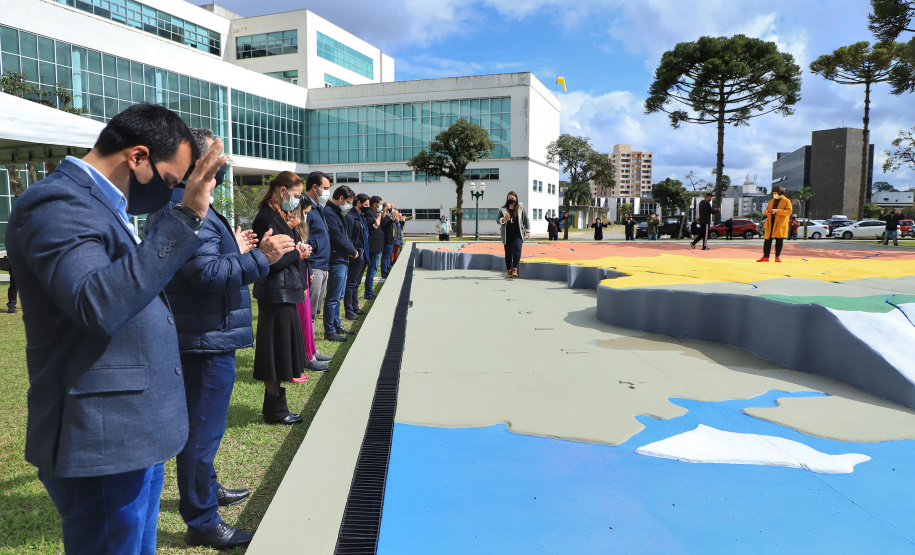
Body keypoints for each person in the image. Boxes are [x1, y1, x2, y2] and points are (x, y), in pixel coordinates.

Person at [5, 103, 225, 554]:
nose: (169, 194)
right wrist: (185, 217)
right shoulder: (58, 202)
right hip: (103, 435)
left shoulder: (103, 204)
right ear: (137, 157)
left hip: (133, 428)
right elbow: (97, 303)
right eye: (168, 181)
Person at [144, 128, 295, 549]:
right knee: (201, 433)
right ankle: (203, 520)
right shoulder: (185, 207)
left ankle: (206, 491)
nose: (225, 166)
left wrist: (243, 252)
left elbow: (203, 264)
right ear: (197, 163)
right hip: (205, 338)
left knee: (203, 427)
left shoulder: (194, 206)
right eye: (218, 159)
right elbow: (206, 275)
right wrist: (262, 259)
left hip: (206, 332)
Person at [252, 172, 312, 425]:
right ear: (282, 190)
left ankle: (276, 408)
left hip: (285, 291)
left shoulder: (281, 216)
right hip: (275, 292)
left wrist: (300, 250)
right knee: (274, 352)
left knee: (280, 351)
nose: (296, 201)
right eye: (295, 195)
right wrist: (298, 255)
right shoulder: (267, 217)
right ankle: (275, 411)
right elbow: (269, 262)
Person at [302, 171, 334, 364]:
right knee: (308, 313)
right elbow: (303, 239)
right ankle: (308, 354)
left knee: (314, 312)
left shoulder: (318, 208)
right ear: (315, 187)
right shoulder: (305, 207)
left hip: (322, 265)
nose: (327, 192)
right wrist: (309, 268)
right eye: (326, 188)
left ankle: (312, 350)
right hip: (313, 266)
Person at [292, 201, 328, 373]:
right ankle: (306, 355)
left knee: (308, 316)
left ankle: (311, 351)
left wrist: (309, 268)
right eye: (305, 213)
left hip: (304, 270)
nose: (306, 216)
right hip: (297, 275)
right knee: (304, 316)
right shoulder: (290, 227)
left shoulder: (299, 227)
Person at [323, 185, 358, 341]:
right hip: (336, 259)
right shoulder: (329, 213)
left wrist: (351, 248)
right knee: (333, 297)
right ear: (341, 198)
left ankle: (337, 325)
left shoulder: (337, 212)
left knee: (339, 296)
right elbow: (337, 237)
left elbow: (345, 236)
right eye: (348, 202)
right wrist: (353, 250)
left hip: (342, 258)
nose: (348, 205)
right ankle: (330, 330)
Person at [345, 194, 370, 320]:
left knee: (356, 283)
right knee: (351, 283)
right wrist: (352, 251)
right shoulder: (350, 217)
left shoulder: (361, 217)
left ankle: (355, 307)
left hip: (364, 255)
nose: (367, 207)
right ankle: (349, 311)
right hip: (356, 255)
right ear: (358, 203)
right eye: (365, 205)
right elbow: (347, 237)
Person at [498, 191, 530, 278]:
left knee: (517, 248)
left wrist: (528, 231)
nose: (511, 200)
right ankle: (509, 270)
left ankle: (515, 268)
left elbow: (526, 220)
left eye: (512, 198)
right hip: (507, 234)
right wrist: (503, 219)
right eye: (509, 198)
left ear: (516, 199)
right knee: (508, 253)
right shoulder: (503, 209)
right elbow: (498, 220)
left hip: (518, 233)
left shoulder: (521, 208)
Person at [757, 186, 793, 262]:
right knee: (767, 240)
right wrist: (767, 212)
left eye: (776, 193)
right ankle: (765, 257)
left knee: (779, 240)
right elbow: (765, 210)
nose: (774, 195)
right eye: (773, 194)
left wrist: (777, 210)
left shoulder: (787, 201)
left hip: (780, 223)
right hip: (771, 221)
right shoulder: (772, 201)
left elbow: (788, 212)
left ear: (780, 193)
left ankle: (777, 257)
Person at [363, 196, 384, 300]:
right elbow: (373, 225)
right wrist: (378, 219)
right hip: (373, 247)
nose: (381, 205)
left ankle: (369, 291)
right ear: (375, 204)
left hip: (377, 247)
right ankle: (368, 292)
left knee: (373, 269)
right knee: (372, 270)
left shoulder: (374, 213)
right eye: (380, 204)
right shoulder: (369, 213)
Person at [379, 202, 395, 280]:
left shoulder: (388, 216)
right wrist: (384, 211)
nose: (390, 209)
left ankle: (387, 270)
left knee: (387, 257)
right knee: (385, 258)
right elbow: (384, 226)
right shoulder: (382, 216)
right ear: (385, 207)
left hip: (390, 240)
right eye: (389, 207)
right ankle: (384, 273)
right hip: (386, 241)